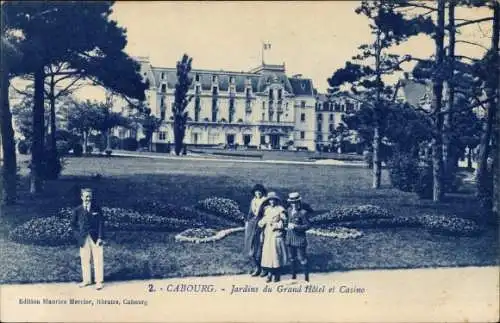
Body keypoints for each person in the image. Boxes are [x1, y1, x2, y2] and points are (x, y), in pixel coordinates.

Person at [71, 188, 105, 290]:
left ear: (91, 197)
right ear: (81, 197)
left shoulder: (97, 209)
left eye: (89, 196)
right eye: (85, 196)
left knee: (98, 259)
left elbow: (101, 223)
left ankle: (98, 281)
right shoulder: (77, 210)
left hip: (95, 238)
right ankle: (86, 280)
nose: (87, 198)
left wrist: (100, 237)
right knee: (85, 259)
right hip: (83, 238)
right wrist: (78, 236)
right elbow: (73, 225)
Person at [258, 192, 288, 283]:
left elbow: (285, 222)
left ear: (276, 200)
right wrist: (261, 222)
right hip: (268, 233)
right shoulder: (266, 209)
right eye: (270, 200)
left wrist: (276, 225)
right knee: (268, 254)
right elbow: (265, 219)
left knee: (275, 254)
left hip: (276, 233)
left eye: (273, 200)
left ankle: (276, 274)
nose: (272, 202)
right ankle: (270, 273)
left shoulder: (280, 209)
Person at [285, 192, 311, 282]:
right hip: (290, 238)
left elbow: (307, 225)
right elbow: (287, 222)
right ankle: (293, 277)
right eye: (292, 202)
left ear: (299, 202)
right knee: (292, 258)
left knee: (302, 258)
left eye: (296, 202)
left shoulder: (303, 213)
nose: (294, 204)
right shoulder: (288, 210)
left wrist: (296, 227)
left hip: (299, 239)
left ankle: (306, 279)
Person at [243, 184, 268, 277]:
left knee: (260, 247)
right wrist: (247, 222)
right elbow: (250, 213)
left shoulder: (265, 200)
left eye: (259, 191)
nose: (258, 193)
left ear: (262, 192)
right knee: (251, 247)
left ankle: (264, 269)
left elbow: (266, 214)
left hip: (261, 224)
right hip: (252, 224)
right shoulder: (253, 200)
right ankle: (257, 267)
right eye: (256, 191)